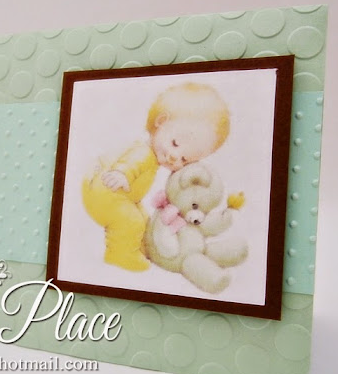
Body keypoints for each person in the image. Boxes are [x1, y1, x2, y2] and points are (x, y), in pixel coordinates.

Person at [82, 82, 230, 271]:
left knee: (144, 220)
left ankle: (140, 247)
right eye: (175, 143)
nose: (174, 157)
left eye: (184, 159)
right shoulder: (144, 153)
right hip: (106, 190)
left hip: (119, 194)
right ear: (160, 121)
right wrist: (122, 173)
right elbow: (132, 162)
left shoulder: (153, 157)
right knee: (131, 221)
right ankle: (119, 254)